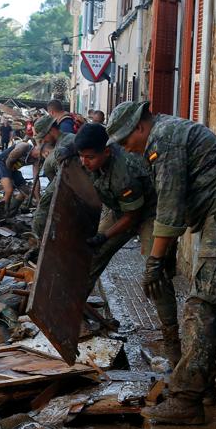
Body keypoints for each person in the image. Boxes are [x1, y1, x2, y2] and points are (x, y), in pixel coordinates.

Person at [107, 99, 216, 425]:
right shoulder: (163, 136)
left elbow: (170, 206)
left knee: (202, 305)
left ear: (139, 126)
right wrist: (161, 257)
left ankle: (186, 400)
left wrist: (155, 260)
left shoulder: (163, 138)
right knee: (205, 304)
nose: (126, 148)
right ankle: (200, 387)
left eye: (125, 140)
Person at [74, 123, 180, 361]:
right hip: (119, 208)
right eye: (82, 157)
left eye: (89, 158)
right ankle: (75, 317)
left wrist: (104, 235)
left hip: (149, 213)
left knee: (156, 273)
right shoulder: (89, 158)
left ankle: (172, 341)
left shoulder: (125, 171)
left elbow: (132, 218)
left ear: (107, 152)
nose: (84, 163)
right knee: (92, 255)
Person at [0, 135, 37, 212]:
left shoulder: (38, 158)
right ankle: (2, 212)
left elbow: (36, 179)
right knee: (9, 190)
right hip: (3, 164)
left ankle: (11, 211)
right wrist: (10, 178)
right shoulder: (24, 146)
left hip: (13, 169)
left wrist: (38, 199)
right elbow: (8, 161)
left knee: (26, 192)